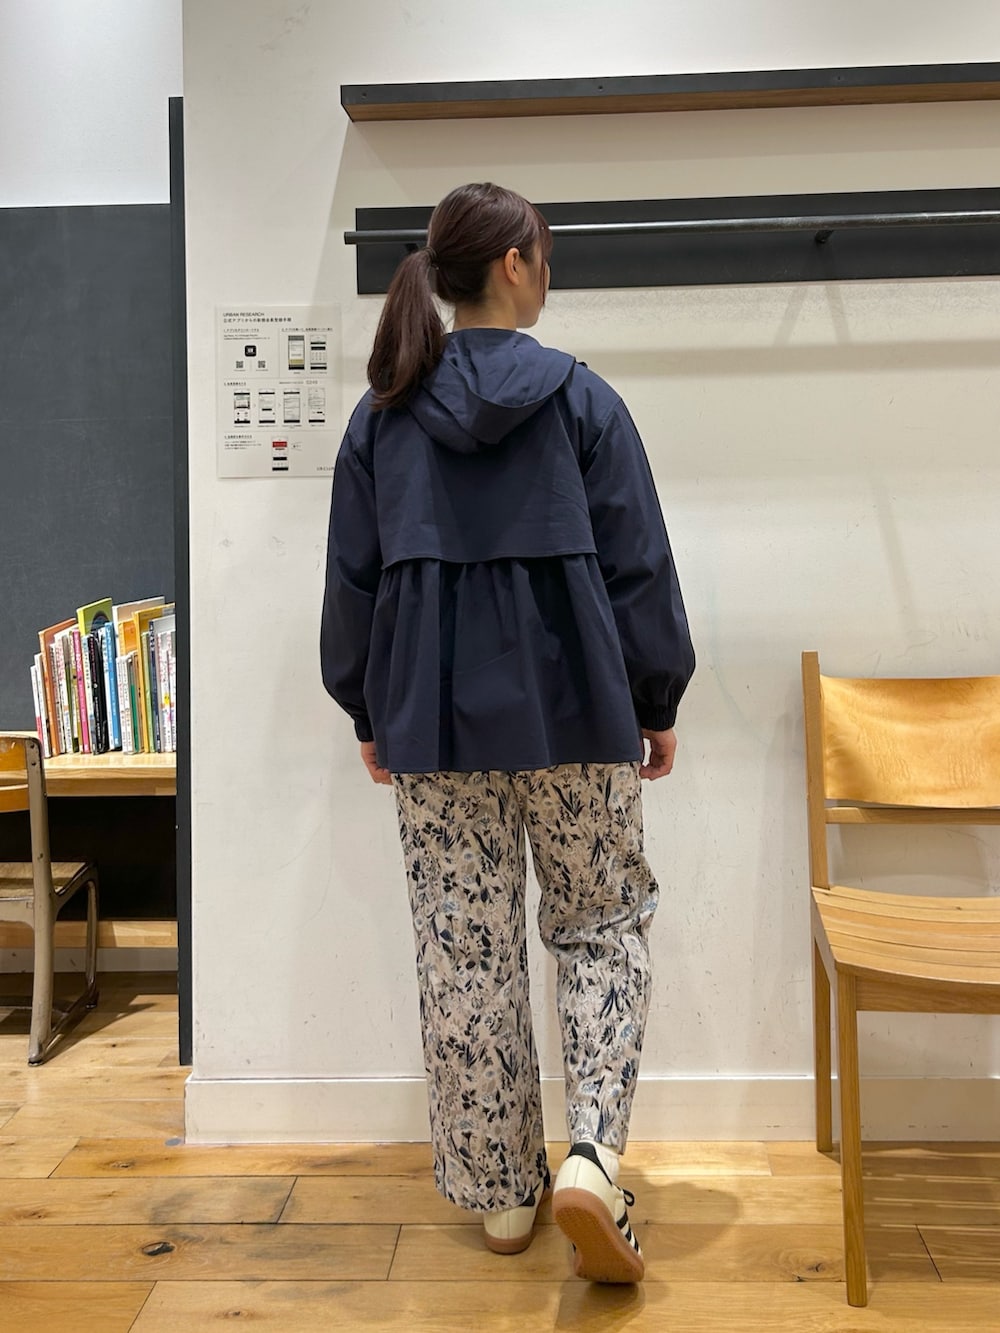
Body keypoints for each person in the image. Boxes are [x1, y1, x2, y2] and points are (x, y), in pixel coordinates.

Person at [321, 182, 694, 1284]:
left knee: (464, 950)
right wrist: (656, 698)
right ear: (516, 263)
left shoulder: (383, 415)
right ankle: (591, 1158)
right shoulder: (583, 401)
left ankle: (500, 1198)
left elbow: (352, 581)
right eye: (547, 254)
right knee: (601, 923)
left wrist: (367, 707)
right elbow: (638, 564)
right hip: (578, 713)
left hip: (433, 729)